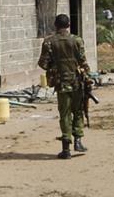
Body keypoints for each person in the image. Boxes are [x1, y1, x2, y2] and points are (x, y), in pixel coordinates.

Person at [38, 14, 92, 159]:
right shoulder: (77, 40)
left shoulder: (49, 42)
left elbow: (42, 64)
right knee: (78, 111)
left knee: (65, 114)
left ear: (55, 25)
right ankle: (78, 141)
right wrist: (88, 78)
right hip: (77, 82)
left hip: (61, 83)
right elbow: (83, 62)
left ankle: (66, 148)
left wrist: (53, 67)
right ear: (68, 25)